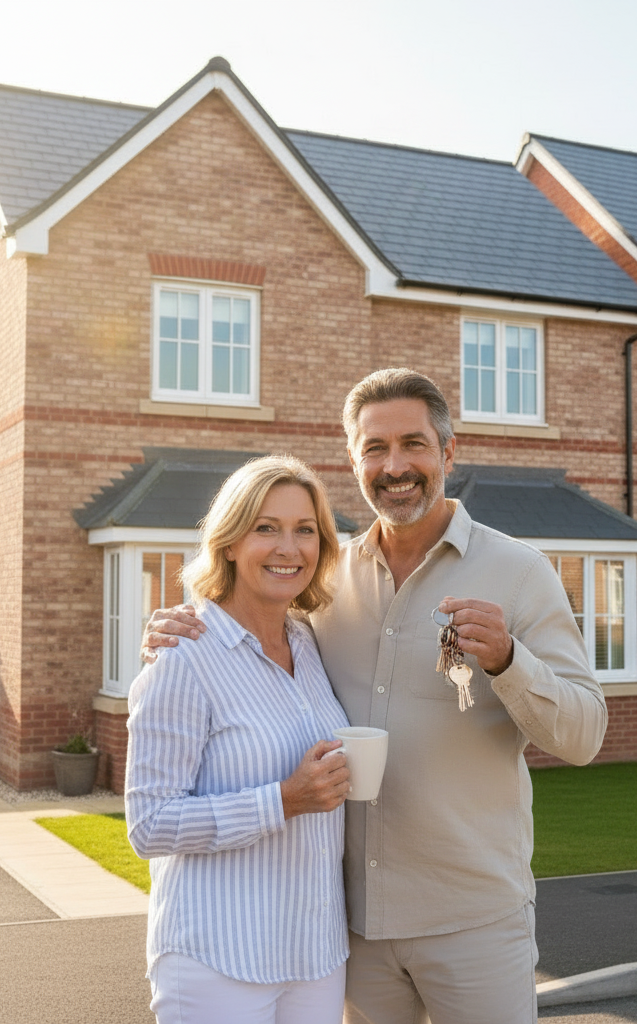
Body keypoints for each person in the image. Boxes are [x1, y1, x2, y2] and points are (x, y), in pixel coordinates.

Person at [146, 369, 607, 1024]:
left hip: (473, 921)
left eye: (413, 444)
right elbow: (251, 626)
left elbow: (584, 736)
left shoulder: (520, 572)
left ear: (448, 452)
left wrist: (509, 659)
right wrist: (183, 625)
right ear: (354, 460)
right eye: (375, 449)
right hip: (352, 927)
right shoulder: (323, 578)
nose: (395, 467)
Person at [126, 455, 354, 1024]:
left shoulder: (309, 642)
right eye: (266, 528)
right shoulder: (183, 657)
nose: (289, 548)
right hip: (219, 955)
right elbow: (148, 825)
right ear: (228, 543)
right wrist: (284, 800)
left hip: (315, 952)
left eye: (305, 530)